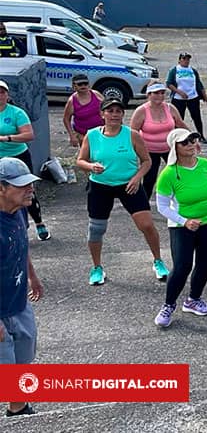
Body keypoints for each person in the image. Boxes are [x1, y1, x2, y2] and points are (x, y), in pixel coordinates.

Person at [77, 98, 166, 286]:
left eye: (118, 111)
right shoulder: (92, 135)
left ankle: (158, 261)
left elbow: (147, 161)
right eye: (110, 111)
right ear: (102, 114)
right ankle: (97, 267)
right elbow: (80, 161)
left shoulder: (132, 135)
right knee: (96, 229)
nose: (114, 114)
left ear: (123, 115)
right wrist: (91, 166)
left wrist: (136, 178)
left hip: (128, 184)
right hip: (100, 186)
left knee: (147, 225)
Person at [153, 128, 207, 327]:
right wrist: (184, 221)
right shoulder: (169, 174)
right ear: (175, 147)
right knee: (182, 266)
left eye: (193, 139)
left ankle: (193, 300)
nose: (191, 144)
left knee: (205, 264)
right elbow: (162, 206)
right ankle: (169, 305)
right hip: (181, 226)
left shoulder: (205, 164)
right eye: (185, 142)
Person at [0, 157, 44, 417]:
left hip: (19, 301)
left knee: (24, 355)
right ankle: (18, 411)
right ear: (1, 188)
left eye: (30, 183)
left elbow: (21, 243)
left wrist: (32, 276)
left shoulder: (20, 210)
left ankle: (19, 405)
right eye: (21, 185)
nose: (30, 189)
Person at [0, 80, 50, 241]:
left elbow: (29, 135)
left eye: (2, 92)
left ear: (7, 95)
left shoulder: (16, 113)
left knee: (26, 190)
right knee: (4, 193)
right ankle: (11, 225)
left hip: (17, 157)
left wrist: (6, 138)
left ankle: (39, 222)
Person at [129, 82, 188, 199]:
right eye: (156, 93)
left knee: (180, 173)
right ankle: (143, 205)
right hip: (149, 150)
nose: (160, 96)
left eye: (162, 93)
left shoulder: (170, 108)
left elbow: (180, 124)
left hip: (169, 148)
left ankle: (183, 199)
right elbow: (133, 133)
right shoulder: (141, 111)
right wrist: (132, 153)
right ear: (149, 94)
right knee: (150, 179)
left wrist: (192, 139)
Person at [165, 52, 207, 144]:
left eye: (187, 59)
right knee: (178, 118)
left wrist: (205, 97)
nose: (186, 61)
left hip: (192, 97)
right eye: (184, 59)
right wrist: (179, 92)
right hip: (178, 99)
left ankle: (201, 135)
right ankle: (177, 136)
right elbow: (169, 83)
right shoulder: (174, 70)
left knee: (196, 117)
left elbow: (199, 84)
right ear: (179, 60)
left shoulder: (193, 71)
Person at [62, 74, 105, 148]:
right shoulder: (72, 101)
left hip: (100, 131)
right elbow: (66, 119)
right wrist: (72, 135)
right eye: (80, 84)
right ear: (74, 86)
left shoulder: (96, 95)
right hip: (82, 133)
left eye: (85, 83)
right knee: (87, 154)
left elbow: (108, 108)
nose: (83, 86)